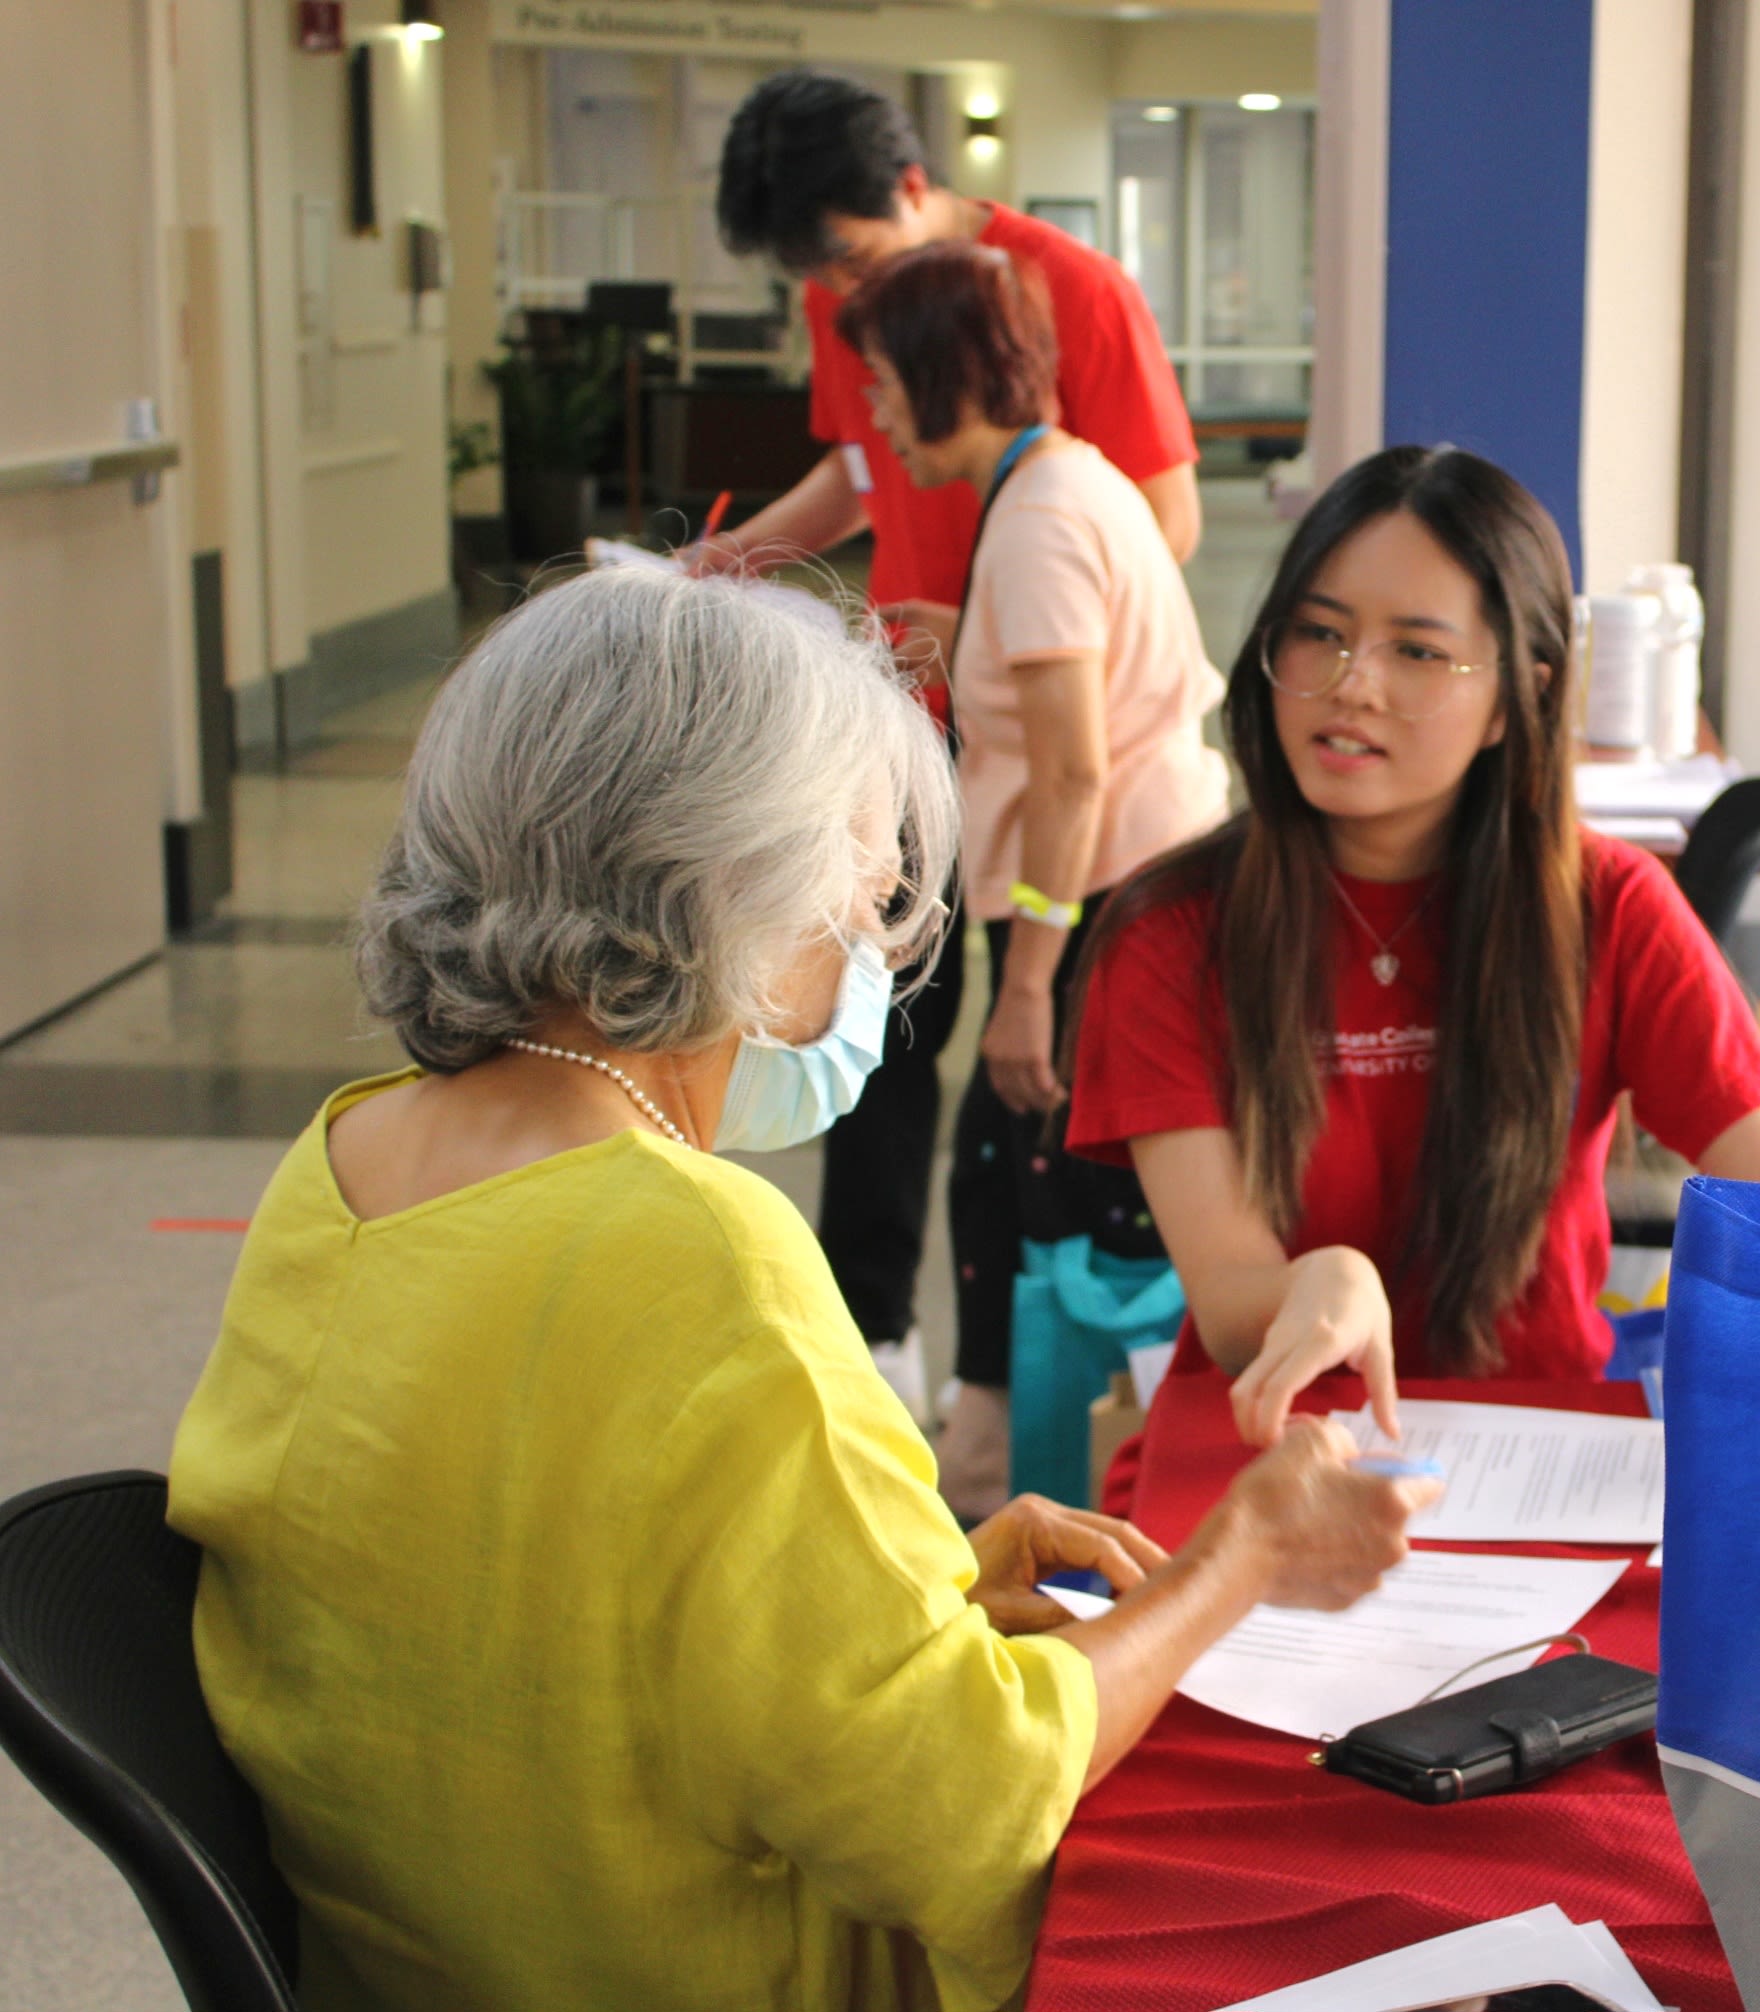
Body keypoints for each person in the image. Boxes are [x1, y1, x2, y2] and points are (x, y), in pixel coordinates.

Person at [164, 568, 1430, 2011]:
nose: (870, 935)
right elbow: (964, 1815)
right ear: (739, 888)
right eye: (864, 873)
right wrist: (1237, 1562)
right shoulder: (700, 1254)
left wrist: (917, 1586)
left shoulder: (344, 1152)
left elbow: (540, 1579)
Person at [1065, 447, 1760, 1448]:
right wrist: (1325, 1282)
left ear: (1521, 693)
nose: (1352, 685)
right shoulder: (1169, 930)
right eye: (1319, 634)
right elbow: (1227, 1299)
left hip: (1541, 1456)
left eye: (1418, 652)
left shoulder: (1608, 906)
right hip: (1269, 1451)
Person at [697, 68, 1202, 1424]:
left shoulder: (1067, 302)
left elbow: (1155, 539)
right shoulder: (860, 312)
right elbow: (856, 474)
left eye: (851, 264)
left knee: (1034, 1103)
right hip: (926, 715)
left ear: (913, 193)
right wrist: (738, 559)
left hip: (1054, 759)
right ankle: (883, 1349)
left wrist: (1013, 644)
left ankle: (1051, 1397)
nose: (839, 315)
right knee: (878, 1035)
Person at [836, 241, 1230, 1518]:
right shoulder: (1060, 485)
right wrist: (976, 643)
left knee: (1041, 1191)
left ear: (947, 372)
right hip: (1121, 883)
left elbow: (1072, 774)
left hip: (1100, 902)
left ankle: (1044, 1480)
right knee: (1010, 1182)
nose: (878, 414)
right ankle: (1019, 1467)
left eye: (888, 383)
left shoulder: (1043, 521)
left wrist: (1031, 987)